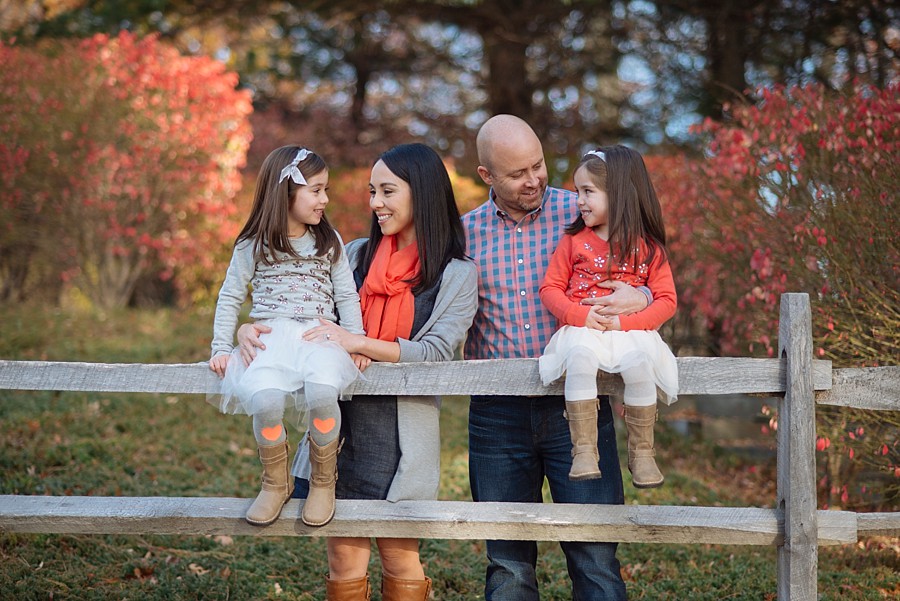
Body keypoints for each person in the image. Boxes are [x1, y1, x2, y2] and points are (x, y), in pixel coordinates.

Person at [237, 143, 478, 600]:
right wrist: (250, 328)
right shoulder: (353, 254)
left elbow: (437, 352)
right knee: (343, 559)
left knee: (399, 555)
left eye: (387, 191)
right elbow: (304, 318)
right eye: (372, 191)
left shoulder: (456, 274)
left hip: (401, 435)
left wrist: (360, 342)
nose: (375, 203)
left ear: (422, 192)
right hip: (341, 427)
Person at [462, 115, 649, 601]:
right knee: (507, 564)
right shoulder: (463, 235)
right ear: (486, 176)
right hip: (497, 414)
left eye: (538, 165)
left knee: (595, 556)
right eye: (517, 173)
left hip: (577, 405)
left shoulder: (584, 211)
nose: (534, 180)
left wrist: (643, 295)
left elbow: (646, 265)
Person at [207, 145, 363, 529]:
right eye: (316, 190)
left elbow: (346, 295)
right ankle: (275, 483)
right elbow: (230, 295)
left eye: (326, 190)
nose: (325, 199)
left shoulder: (329, 241)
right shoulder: (253, 244)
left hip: (318, 337)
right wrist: (221, 346)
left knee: (323, 392)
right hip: (270, 339)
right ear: (286, 192)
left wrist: (355, 339)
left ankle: (323, 481)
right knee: (265, 401)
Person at [538, 145, 678, 489]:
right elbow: (550, 289)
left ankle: (642, 453)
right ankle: (584, 450)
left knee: (640, 367)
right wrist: (577, 315)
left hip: (630, 332)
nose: (579, 201)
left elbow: (667, 301)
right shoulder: (574, 242)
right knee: (580, 360)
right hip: (583, 329)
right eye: (577, 192)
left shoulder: (648, 247)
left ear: (618, 193)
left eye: (588, 192)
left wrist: (625, 323)